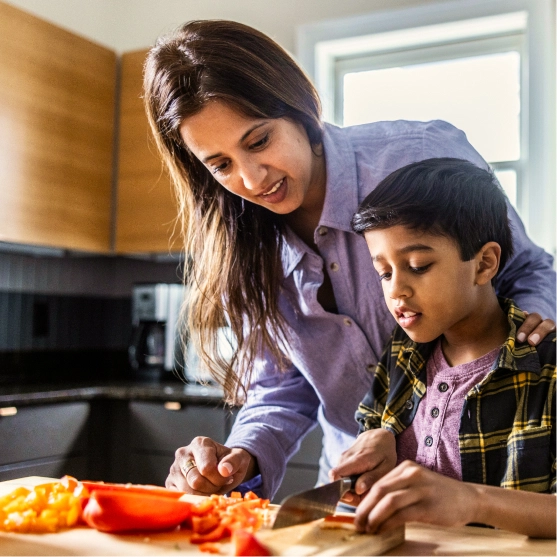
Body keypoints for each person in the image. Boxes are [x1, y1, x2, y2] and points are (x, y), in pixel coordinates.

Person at [142, 19, 556, 500]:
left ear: (298, 108)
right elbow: (280, 388)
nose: (252, 180)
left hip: (488, 472)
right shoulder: (244, 242)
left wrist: (532, 345)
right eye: (221, 165)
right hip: (358, 487)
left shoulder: (417, 158)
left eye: (258, 142)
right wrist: (241, 458)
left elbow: (525, 270)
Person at [329, 157, 555, 538]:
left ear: (484, 264)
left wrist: (472, 500)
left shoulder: (546, 367)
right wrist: (379, 442)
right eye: (384, 272)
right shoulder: (402, 353)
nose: (395, 291)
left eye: (417, 265)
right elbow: (366, 461)